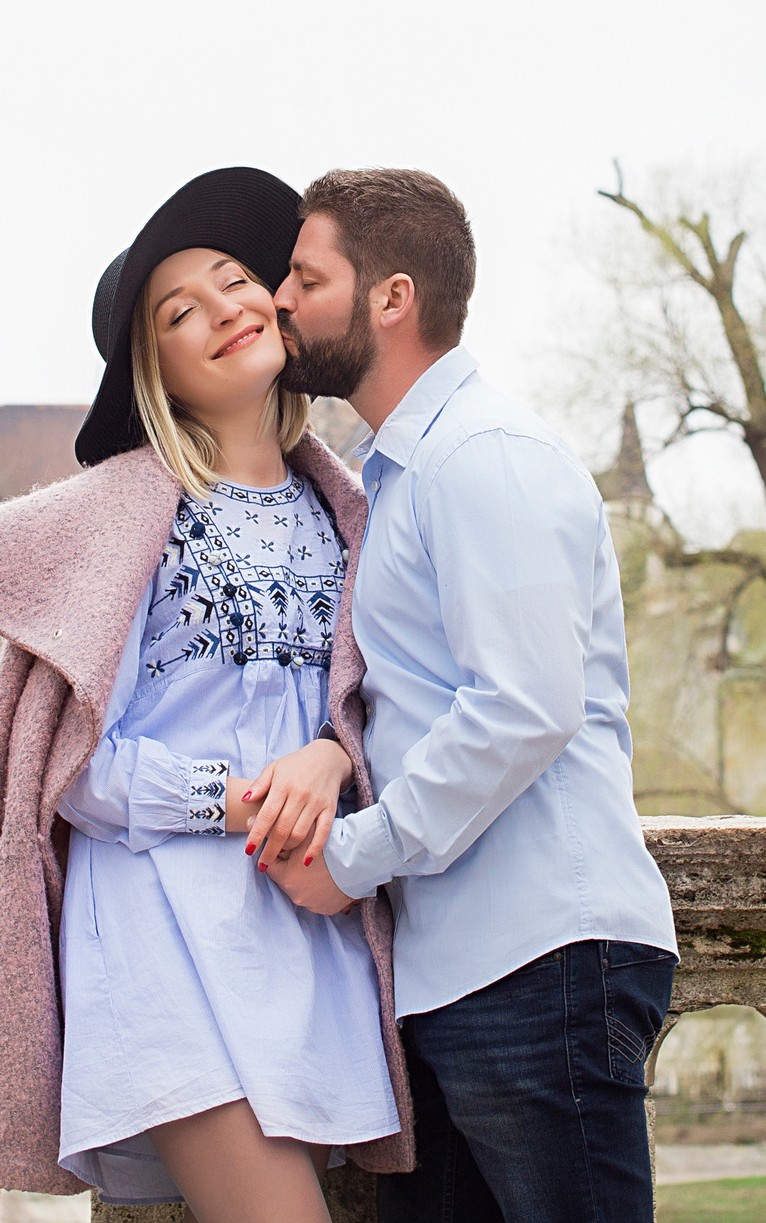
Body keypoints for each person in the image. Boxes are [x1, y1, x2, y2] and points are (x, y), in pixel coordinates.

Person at [0, 167, 412, 1223]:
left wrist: (327, 760)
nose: (223, 308)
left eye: (235, 281)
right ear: (157, 372)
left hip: (302, 929)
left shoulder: (355, 516)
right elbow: (72, 768)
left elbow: (376, 717)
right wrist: (235, 799)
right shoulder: (120, 526)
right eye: (181, 312)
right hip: (158, 934)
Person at [264, 167, 679, 1223]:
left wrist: (353, 855)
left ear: (390, 298)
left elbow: (525, 706)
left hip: (541, 958)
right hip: (460, 975)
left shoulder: (483, 457)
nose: (280, 302)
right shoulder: (401, 476)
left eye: (306, 279)